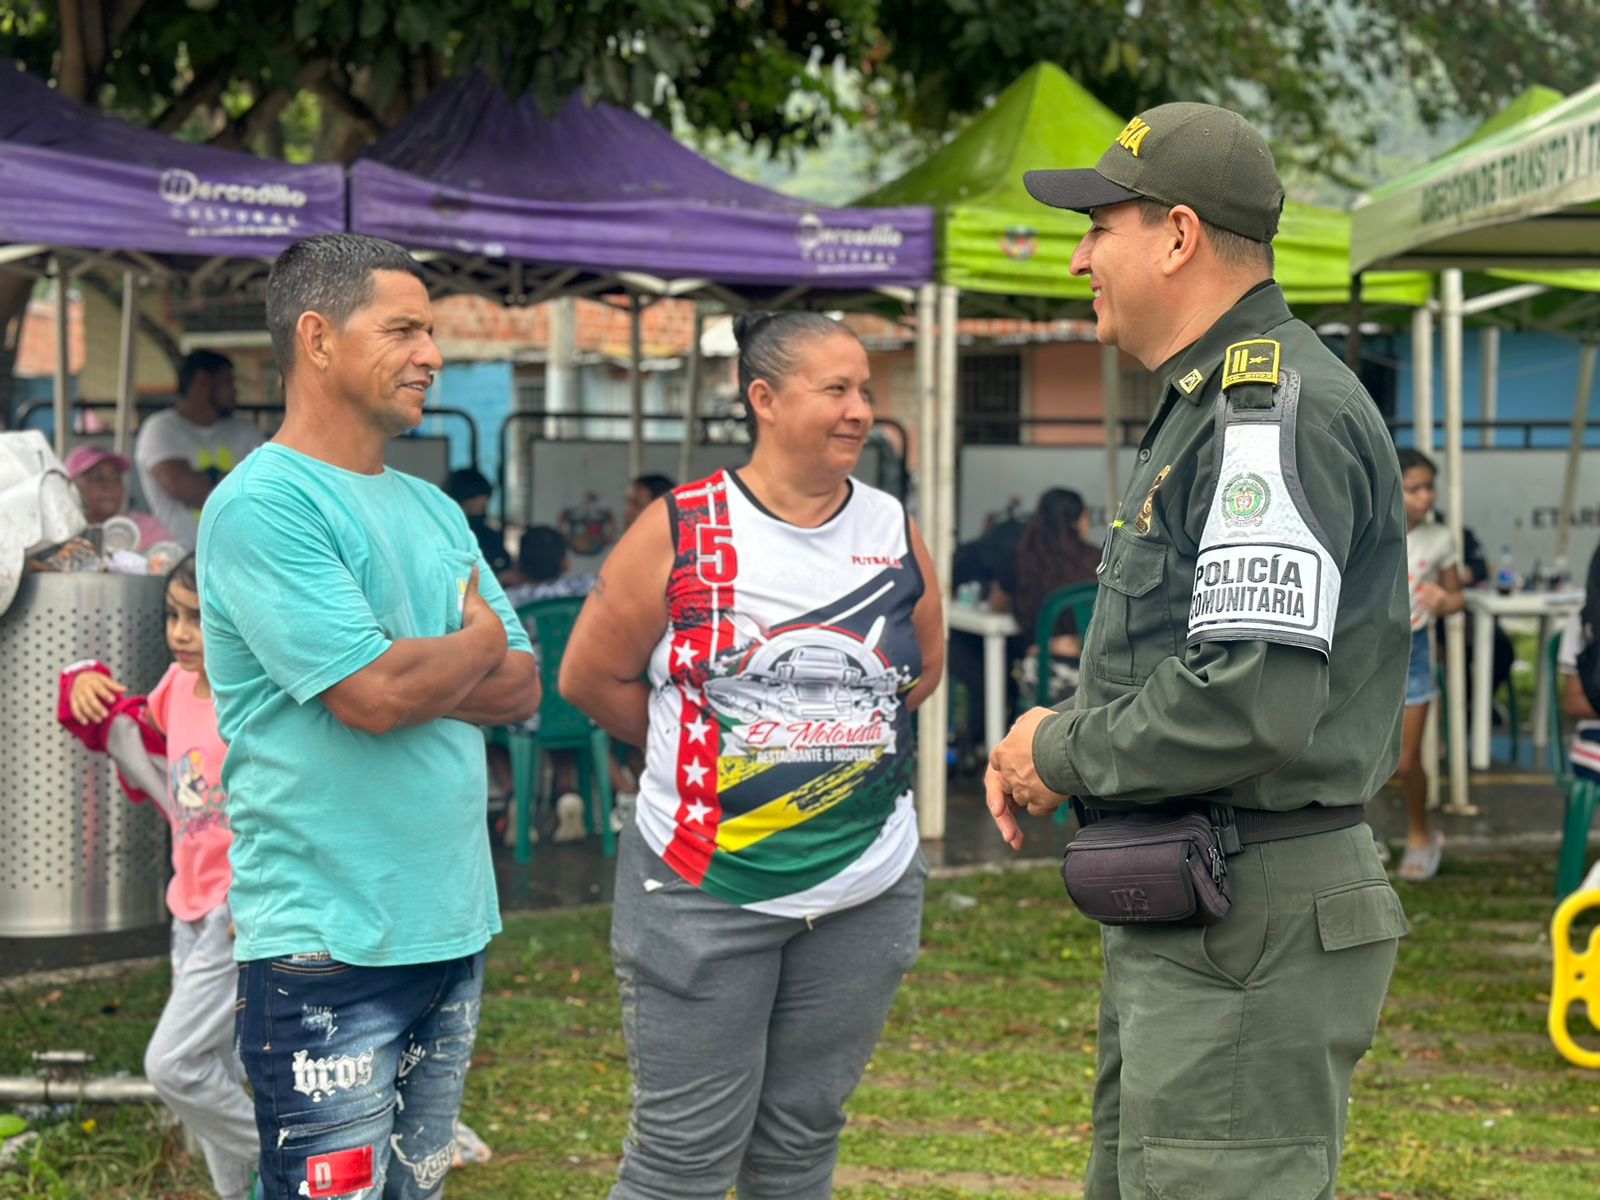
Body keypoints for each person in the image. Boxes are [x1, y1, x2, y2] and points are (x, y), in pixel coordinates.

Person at [987, 103, 1410, 1200]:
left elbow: (1245, 703)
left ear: (1176, 235)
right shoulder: (1213, 404)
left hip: (1247, 922)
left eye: (1099, 226)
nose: (1078, 257)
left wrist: (1055, 752)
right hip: (1206, 908)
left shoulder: (1266, 413)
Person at [560, 310, 944, 1200]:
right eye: (836, 389)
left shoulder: (892, 524)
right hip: (703, 886)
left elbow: (919, 671)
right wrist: (707, 753)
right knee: (681, 1159)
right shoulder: (683, 526)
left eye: (865, 391)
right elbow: (590, 677)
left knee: (801, 1144)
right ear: (763, 399)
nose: (860, 411)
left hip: (864, 890)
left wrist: (823, 743)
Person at [197, 233, 539, 1199]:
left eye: (431, 331)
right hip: (325, 943)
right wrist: (465, 646)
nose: (433, 354)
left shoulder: (433, 509)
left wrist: (413, 668)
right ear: (317, 338)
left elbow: (522, 688)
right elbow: (374, 698)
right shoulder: (264, 506)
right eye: (403, 330)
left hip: (448, 926)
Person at [57, 554, 258, 1200]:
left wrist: (254, 896)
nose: (180, 632)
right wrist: (81, 682)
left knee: (172, 1065)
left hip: (239, 914)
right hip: (189, 910)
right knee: (211, 1063)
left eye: (197, 618)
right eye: (172, 615)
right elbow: (121, 725)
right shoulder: (176, 685)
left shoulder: (255, 699)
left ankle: (301, 1156)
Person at [1395, 449, 1463, 881]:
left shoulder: (1440, 539)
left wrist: (1445, 600)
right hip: (1368, 650)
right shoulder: (1368, 529)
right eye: (1414, 488)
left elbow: (1457, 599)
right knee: (1359, 755)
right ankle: (1358, 837)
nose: (1426, 496)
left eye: (1429, 487)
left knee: (1406, 762)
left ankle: (1421, 833)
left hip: (1414, 649)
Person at [135, 351, 263, 550]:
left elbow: (269, 488)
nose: (235, 391)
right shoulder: (162, 427)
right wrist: (246, 485)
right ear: (203, 383)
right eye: (227, 383)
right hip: (180, 557)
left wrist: (213, 479)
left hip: (241, 555)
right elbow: (183, 487)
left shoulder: (245, 430)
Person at [1010, 487, 1101, 706]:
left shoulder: (1028, 563)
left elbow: (1024, 624)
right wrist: (1079, 643)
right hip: (1097, 673)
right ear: (1075, 522)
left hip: (1045, 673)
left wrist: (1050, 645)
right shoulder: (1097, 561)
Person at [63, 444, 171, 548]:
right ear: (71, 486)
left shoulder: (146, 529)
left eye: (116, 477)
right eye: (97, 477)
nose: (110, 485)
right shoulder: (60, 534)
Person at [443, 466, 512, 577]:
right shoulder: (443, 533)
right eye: (479, 495)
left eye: (486, 495)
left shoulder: (490, 535)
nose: (485, 501)